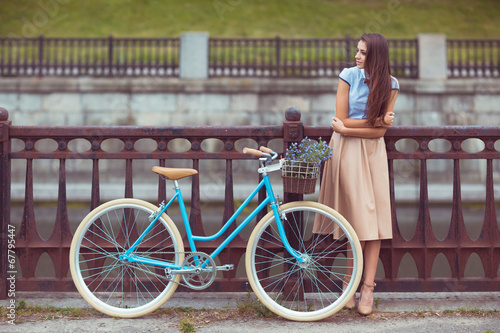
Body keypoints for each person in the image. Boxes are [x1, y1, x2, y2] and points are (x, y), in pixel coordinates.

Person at [314, 33, 399, 315]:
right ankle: (349, 286)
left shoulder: (391, 84)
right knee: (354, 221)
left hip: (373, 153)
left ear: (376, 56)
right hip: (347, 151)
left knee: (372, 221)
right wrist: (369, 122)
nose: (357, 56)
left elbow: (380, 132)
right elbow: (340, 118)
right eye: (357, 51)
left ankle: (368, 288)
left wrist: (354, 128)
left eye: (363, 52)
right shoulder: (348, 75)